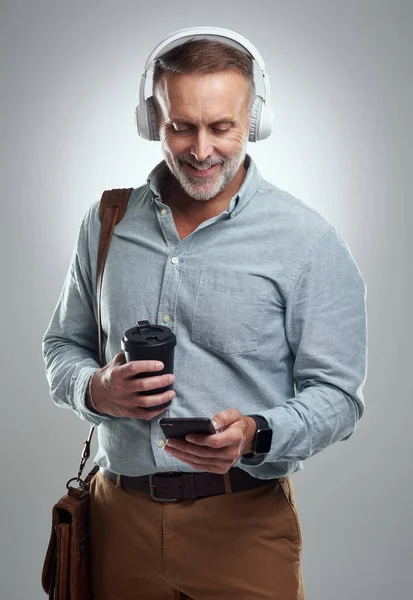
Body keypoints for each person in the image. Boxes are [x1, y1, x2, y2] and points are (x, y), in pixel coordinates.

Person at [42, 27, 368, 600]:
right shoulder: (107, 221)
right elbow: (61, 346)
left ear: (255, 122)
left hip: (243, 528)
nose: (200, 149)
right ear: (152, 121)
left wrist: (257, 433)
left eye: (223, 127)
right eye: (180, 126)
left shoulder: (308, 241)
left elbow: (339, 395)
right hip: (117, 520)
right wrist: (94, 389)